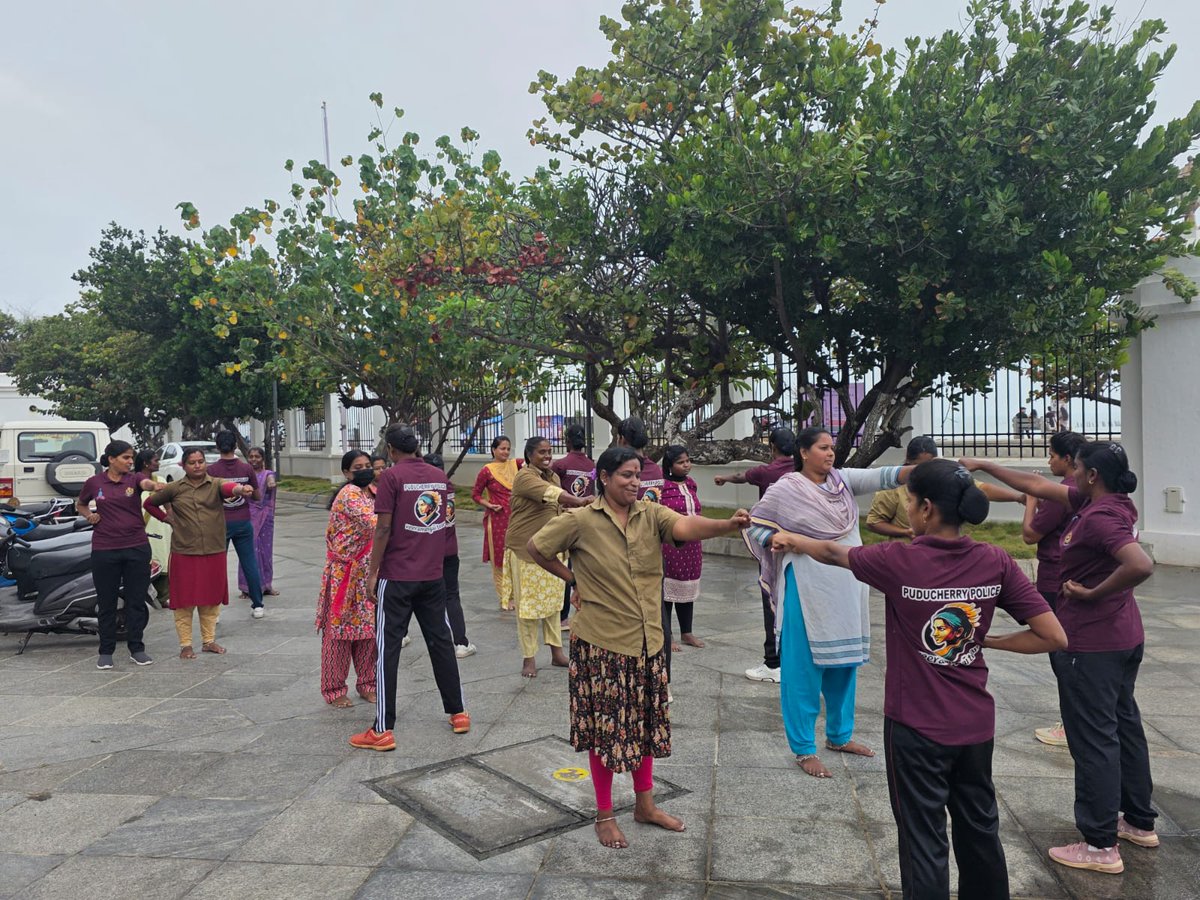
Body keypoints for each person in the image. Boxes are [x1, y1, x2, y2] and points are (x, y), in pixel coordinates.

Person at [769, 459, 1067, 899]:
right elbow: (1053, 635)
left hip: (916, 729)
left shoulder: (900, 560)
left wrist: (792, 538)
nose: (907, 509)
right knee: (980, 831)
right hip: (975, 727)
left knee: (924, 840)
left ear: (926, 508)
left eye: (909, 502)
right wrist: (981, 639)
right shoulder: (994, 560)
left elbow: (835, 552)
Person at [527, 445, 751, 849]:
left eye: (637, 475)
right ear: (606, 478)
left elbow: (685, 527)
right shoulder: (580, 520)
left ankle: (645, 806)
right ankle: (604, 813)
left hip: (649, 642)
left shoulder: (651, 514)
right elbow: (536, 548)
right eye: (626, 475)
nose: (634, 482)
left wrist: (726, 525)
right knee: (605, 731)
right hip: (602, 643)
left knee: (645, 724)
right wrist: (573, 579)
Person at [962, 443, 1158, 874]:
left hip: (1093, 644)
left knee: (1094, 740)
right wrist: (983, 464)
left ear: (1090, 476)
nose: (1068, 476)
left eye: (1078, 469)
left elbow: (1140, 565)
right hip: (1123, 637)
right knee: (1124, 726)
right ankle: (1139, 821)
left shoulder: (1101, 516)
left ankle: (1100, 844)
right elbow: (1034, 485)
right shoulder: (1109, 502)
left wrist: (1093, 592)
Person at [743, 426, 911, 779]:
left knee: (844, 662)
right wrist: (778, 537)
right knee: (803, 668)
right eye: (823, 448)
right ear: (804, 453)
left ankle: (839, 735)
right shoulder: (786, 489)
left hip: (847, 584)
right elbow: (755, 525)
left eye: (832, 447)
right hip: (807, 585)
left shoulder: (843, 481)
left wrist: (935, 469)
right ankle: (804, 748)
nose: (830, 453)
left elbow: (888, 476)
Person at [349, 426, 470, 752]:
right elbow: (445, 526)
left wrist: (373, 572)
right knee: (442, 642)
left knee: (387, 650)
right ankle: (458, 712)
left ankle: (382, 728)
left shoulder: (390, 477)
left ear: (390, 448)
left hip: (398, 575)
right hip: (432, 575)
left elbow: (384, 527)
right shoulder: (438, 478)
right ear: (417, 446)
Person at [144, 448, 255, 658]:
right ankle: (185, 644)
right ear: (183, 466)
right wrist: (167, 518)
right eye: (192, 462)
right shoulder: (174, 488)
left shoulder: (215, 484)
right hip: (184, 552)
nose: (197, 466)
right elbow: (149, 503)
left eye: (201, 461)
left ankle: (208, 641)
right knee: (184, 600)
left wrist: (240, 489)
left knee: (211, 599)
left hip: (214, 550)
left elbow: (229, 488)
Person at [714, 426, 796, 684]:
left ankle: (773, 662)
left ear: (772, 447)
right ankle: (795, 661)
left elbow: (742, 475)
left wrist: (723, 478)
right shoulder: (803, 472)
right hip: (802, 545)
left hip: (773, 546)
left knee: (770, 598)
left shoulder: (768, 472)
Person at [1022, 431, 1087, 747]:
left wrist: (1032, 500)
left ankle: (1071, 725)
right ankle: (1079, 721)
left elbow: (1029, 535)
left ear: (1066, 459)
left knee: (1061, 654)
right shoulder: (1090, 489)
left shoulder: (1062, 493)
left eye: (1051, 455)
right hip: (1079, 577)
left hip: (1053, 580)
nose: (1048, 461)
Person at [505, 437, 591, 677]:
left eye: (550, 451)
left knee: (554, 606)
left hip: (550, 550)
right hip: (525, 551)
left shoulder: (552, 475)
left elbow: (558, 507)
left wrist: (585, 510)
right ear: (530, 454)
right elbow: (553, 495)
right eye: (542, 452)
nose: (547, 456)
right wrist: (580, 500)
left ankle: (556, 653)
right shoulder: (525, 477)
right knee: (528, 609)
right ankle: (528, 658)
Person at [77, 440, 165, 669]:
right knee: (107, 602)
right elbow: (81, 504)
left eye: (131, 457)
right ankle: (106, 651)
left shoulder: (134, 479)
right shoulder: (94, 482)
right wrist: (89, 516)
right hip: (105, 550)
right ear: (112, 459)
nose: (129, 461)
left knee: (136, 601)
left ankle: (137, 648)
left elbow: (146, 483)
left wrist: (155, 487)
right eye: (126, 457)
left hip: (136, 547)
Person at [866, 437, 1024, 540]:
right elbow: (874, 522)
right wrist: (906, 532)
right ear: (908, 462)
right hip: (906, 560)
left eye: (931, 464)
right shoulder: (893, 487)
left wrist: (1018, 497)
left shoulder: (947, 476)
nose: (926, 471)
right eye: (920, 467)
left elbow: (982, 489)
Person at [317, 450, 379, 708]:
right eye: (358, 467)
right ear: (346, 473)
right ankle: (334, 689)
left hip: (367, 573)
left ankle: (368, 684)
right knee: (339, 635)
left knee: (367, 633)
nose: (364, 470)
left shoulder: (372, 492)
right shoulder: (349, 494)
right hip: (345, 576)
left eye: (368, 465)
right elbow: (374, 522)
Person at [208, 431, 265, 618]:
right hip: (243, 522)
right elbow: (257, 497)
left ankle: (214, 611)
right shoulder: (246, 469)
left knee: (216, 565)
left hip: (220, 524)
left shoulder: (212, 471)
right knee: (249, 562)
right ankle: (258, 605)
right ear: (236, 446)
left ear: (218, 446)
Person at [425, 451, 475, 659]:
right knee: (451, 596)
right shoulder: (447, 485)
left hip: (426, 551)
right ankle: (461, 642)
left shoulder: (424, 490)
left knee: (412, 595)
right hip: (448, 550)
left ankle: (401, 635)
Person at [660, 445, 704, 651]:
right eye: (681, 462)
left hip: (692, 546)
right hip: (670, 546)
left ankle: (687, 632)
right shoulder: (662, 486)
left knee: (688, 586)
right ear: (670, 466)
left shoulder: (692, 484)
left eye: (688, 460)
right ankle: (667, 635)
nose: (686, 465)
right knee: (668, 591)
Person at [550, 423, 594, 630]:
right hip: (588, 519)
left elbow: (551, 492)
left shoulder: (559, 465)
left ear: (567, 441)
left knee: (564, 569)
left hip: (566, 519)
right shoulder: (592, 464)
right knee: (585, 565)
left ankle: (562, 617)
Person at [472, 434, 521, 610]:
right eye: (502, 448)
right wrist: (489, 505)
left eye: (508, 448)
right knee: (499, 559)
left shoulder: (516, 465)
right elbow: (475, 495)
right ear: (493, 450)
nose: (506, 452)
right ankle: (504, 598)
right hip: (497, 519)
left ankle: (517, 595)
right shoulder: (487, 470)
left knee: (516, 556)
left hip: (516, 519)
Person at [237, 447, 278, 600]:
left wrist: (272, 483)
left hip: (265, 517)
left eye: (257, 456)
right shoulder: (245, 476)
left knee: (266, 552)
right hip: (248, 516)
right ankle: (246, 588)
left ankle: (267, 585)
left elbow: (270, 481)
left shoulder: (268, 474)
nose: (254, 459)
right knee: (248, 551)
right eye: (251, 456)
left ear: (262, 458)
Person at [136, 448, 170, 607]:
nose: (159, 462)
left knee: (162, 557)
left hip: (160, 525)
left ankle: (164, 596)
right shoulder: (133, 481)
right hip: (141, 527)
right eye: (155, 460)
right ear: (145, 463)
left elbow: (167, 499)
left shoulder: (161, 479)